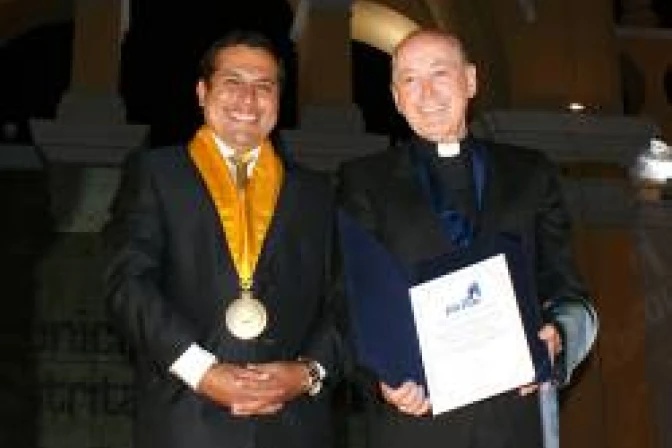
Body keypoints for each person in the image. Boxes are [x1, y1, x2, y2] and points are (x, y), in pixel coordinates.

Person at [337, 29, 597, 448]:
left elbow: (565, 286)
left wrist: (560, 337)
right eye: (409, 79)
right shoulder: (363, 181)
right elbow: (348, 299)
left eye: (440, 73)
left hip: (515, 420)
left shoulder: (530, 172)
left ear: (471, 81)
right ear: (396, 97)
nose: (426, 93)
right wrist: (380, 378)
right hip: (414, 424)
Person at [103, 30, 343, 448]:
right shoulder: (156, 174)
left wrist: (309, 371)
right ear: (202, 92)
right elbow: (127, 283)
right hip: (185, 419)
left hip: (295, 425)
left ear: (278, 100)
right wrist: (200, 370)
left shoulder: (317, 192)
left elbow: (346, 297)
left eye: (264, 86)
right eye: (233, 82)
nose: (248, 100)